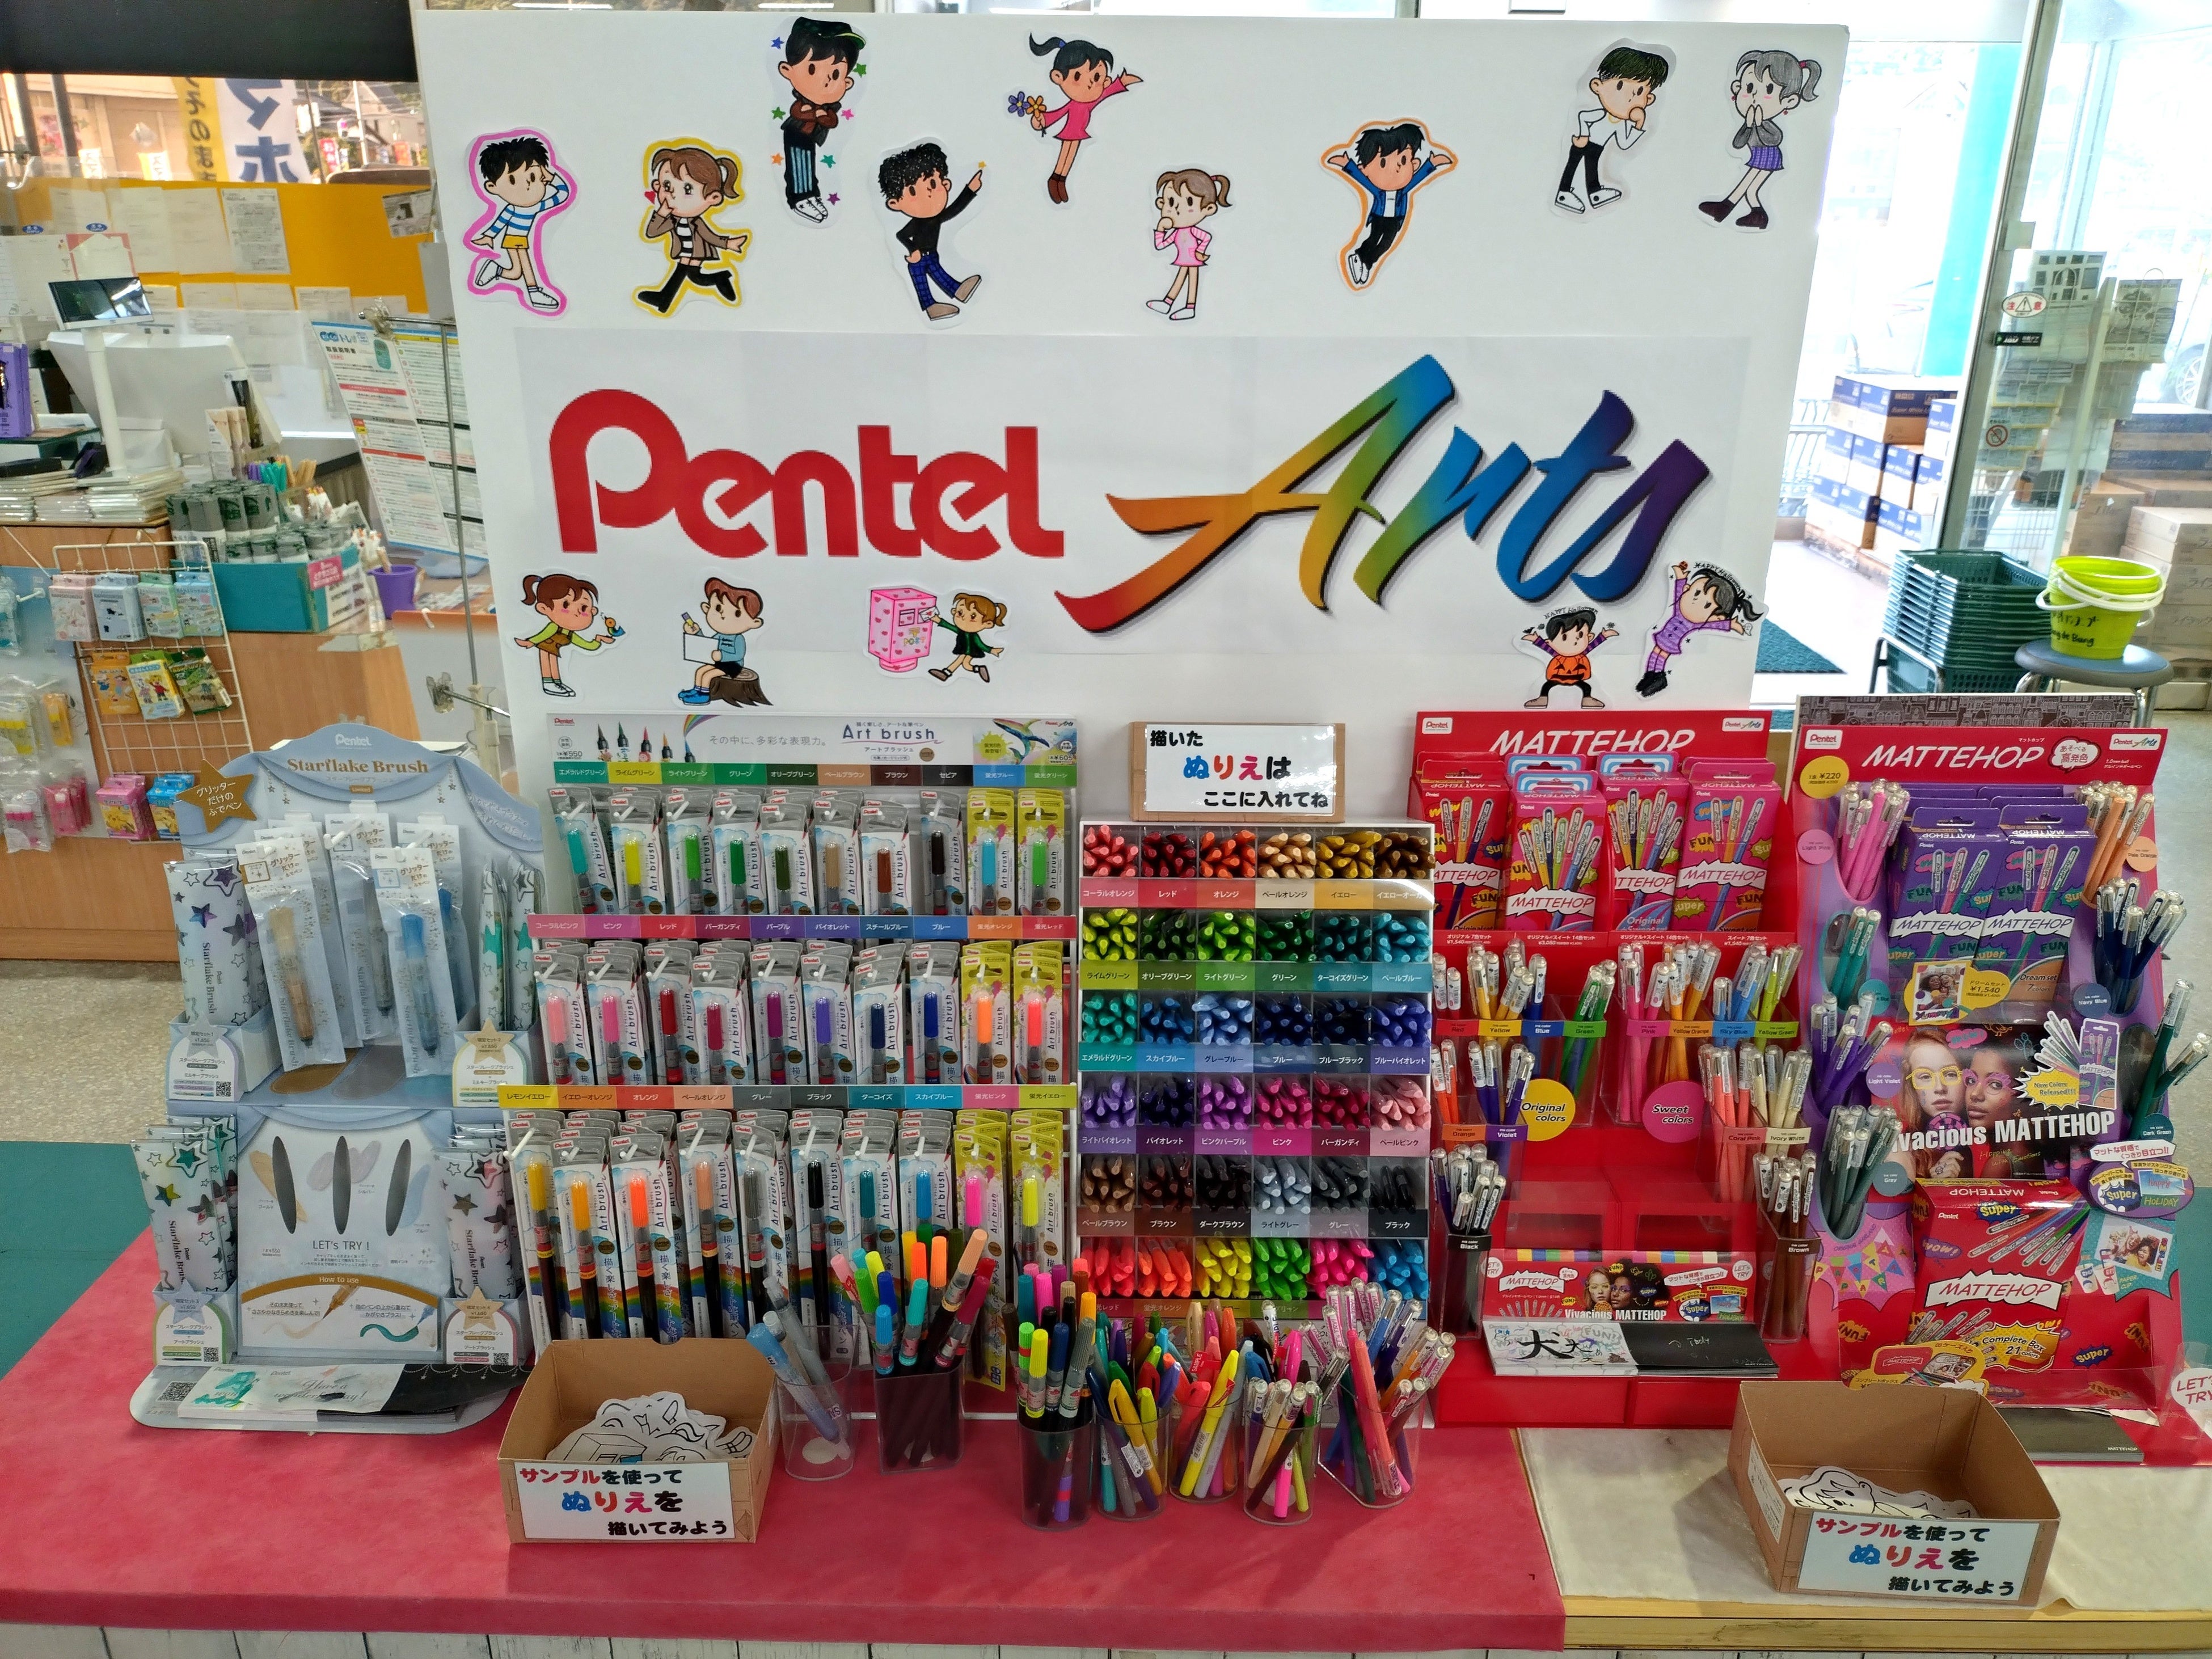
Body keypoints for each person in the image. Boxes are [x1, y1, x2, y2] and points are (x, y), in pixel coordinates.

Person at [1698, 49, 1822, 231]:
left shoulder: (1765, 123)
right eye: (1749, 88)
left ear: (1789, 101)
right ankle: (1757, 216)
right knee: (1751, 189)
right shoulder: (1750, 121)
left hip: (1769, 156)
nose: (1754, 96)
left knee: (1747, 183)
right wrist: (1749, 125)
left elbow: (1775, 139)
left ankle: (1724, 208)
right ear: (1737, 88)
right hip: (1758, 154)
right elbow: (1738, 144)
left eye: (1769, 90)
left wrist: (1758, 124)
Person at [1325, 123, 1454, 288]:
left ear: (1414, 164)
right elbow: (1362, 180)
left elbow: (1419, 178)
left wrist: (1432, 163)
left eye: (1403, 160)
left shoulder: (1404, 190)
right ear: (1365, 169)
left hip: (1395, 219)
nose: (1397, 168)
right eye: (1383, 163)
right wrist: (1346, 164)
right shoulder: (1377, 191)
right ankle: (1358, 256)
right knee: (1373, 239)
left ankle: (1367, 263)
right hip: (1378, 217)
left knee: (1386, 244)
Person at [1028, 35, 1141, 205]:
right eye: (1078, 76)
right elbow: (1057, 114)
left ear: (1105, 80)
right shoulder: (1073, 104)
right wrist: (1041, 121)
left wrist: (1123, 81)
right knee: (1065, 154)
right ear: (1058, 77)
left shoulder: (1090, 101)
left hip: (1079, 132)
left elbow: (1106, 93)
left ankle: (1061, 180)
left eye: (1097, 78)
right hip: (1070, 130)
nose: (1090, 84)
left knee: (1070, 155)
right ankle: (1055, 178)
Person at [1557, 45, 1669, 213]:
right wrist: (1583, 136)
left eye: (1639, 92)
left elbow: (1624, 144)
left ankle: (1595, 194)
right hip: (1582, 143)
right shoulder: (1601, 114)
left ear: (1649, 99)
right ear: (1597, 86)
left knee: (1592, 169)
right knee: (1573, 166)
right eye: (1620, 86)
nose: (1629, 98)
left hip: (1597, 147)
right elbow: (1584, 117)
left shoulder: (1621, 123)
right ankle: (1564, 193)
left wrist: (1639, 124)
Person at [637, 145, 748, 315]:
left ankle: (664, 299)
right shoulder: (672, 220)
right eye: (667, 185)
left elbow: (709, 236)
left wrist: (727, 244)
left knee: (686, 274)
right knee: (695, 277)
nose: (673, 195)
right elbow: (651, 233)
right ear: (658, 185)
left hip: (697, 252)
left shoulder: (697, 223)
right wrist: (661, 214)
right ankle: (719, 278)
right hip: (684, 252)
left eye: (688, 189)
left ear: (713, 198)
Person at [775, 16, 864, 223]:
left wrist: (822, 116)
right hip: (795, 135)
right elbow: (797, 112)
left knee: (808, 165)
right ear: (787, 71)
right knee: (798, 166)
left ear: (847, 83)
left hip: (809, 137)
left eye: (835, 74)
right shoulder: (802, 104)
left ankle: (811, 196)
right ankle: (800, 199)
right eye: (812, 70)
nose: (826, 80)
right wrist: (815, 115)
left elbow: (831, 121)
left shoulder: (828, 108)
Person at [880, 144, 983, 320]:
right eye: (913, 191)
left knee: (940, 275)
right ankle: (931, 307)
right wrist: (913, 251)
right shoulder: (917, 222)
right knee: (922, 285)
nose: (928, 195)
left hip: (932, 255)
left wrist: (970, 190)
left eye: (933, 184)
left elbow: (954, 210)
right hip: (918, 260)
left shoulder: (935, 217)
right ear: (895, 204)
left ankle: (958, 291)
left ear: (946, 185)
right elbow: (901, 235)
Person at [469, 134, 570, 311]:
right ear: (492, 187)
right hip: (514, 240)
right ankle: (534, 292)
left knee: (516, 273)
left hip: (518, 239)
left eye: (533, 177)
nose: (528, 186)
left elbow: (563, 195)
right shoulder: (513, 209)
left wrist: (551, 176)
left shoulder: (536, 207)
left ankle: (495, 269)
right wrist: (489, 236)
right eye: (513, 180)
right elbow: (500, 222)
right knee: (526, 268)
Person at [1637, 562, 1761, 696]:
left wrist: (1732, 625)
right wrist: (1680, 577)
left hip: (1672, 643)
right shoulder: (1678, 610)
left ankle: (1658, 679)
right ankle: (1648, 677)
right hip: (1663, 636)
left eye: (1707, 605)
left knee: (1661, 658)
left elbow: (1714, 625)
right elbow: (1678, 593)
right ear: (1688, 589)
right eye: (1696, 593)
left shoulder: (1696, 624)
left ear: (1716, 617)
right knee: (1654, 654)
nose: (1695, 601)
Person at [514, 572, 619, 697]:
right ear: (544, 609)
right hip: (544, 645)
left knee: (553, 660)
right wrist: (531, 642)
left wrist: (599, 639)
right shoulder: (554, 627)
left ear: (593, 611)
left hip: (553, 647)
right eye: (566, 605)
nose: (576, 613)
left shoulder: (570, 634)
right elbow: (544, 635)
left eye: (584, 608)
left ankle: (557, 683)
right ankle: (548, 683)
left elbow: (587, 645)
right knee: (548, 659)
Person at [1150, 169, 1229, 322]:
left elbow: (1206, 237)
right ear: (1161, 204)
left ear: (1209, 209)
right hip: (1183, 259)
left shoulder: (1192, 231)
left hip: (1193, 259)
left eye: (1189, 202)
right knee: (1180, 279)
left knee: (1192, 281)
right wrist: (1160, 229)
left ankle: (1189, 308)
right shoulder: (1176, 233)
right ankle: (1168, 303)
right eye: (1171, 202)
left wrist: (1200, 252)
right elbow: (1160, 245)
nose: (1177, 209)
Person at [680, 579, 768, 705]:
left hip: (734, 666)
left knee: (708, 676)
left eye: (737, 614)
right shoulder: (720, 635)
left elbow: (739, 655)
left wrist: (722, 656)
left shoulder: (738, 639)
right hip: (719, 663)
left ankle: (704, 696)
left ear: (754, 623)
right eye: (718, 608)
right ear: (707, 608)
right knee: (701, 671)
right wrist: (696, 632)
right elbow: (709, 644)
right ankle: (696, 691)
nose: (723, 616)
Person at [1901, 1029, 1969, 1180]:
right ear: (1911, 1085)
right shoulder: (1902, 1150)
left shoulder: (1985, 1142)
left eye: (1950, 1074)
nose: (1940, 1088)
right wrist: (1936, 1185)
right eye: (1925, 1077)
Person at [1522, 607, 1619, 708]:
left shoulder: (1582, 655)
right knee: (1547, 686)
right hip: (1557, 677)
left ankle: (1587, 700)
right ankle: (1542, 699)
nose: (1574, 641)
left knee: (1586, 687)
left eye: (1580, 635)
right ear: (1551, 643)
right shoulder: (1557, 655)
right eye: (1564, 637)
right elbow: (1545, 647)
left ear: (1589, 637)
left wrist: (1604, 635)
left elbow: (1594, 645)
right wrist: (1535, 639)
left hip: (1577, 678)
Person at [927, 592, 1007, 682]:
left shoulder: (974, 636)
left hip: (971, 650)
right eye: (960, 613)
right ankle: (979, 669)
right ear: (954, 611)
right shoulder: (961, 631)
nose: (963, 618)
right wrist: (938, 620)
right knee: (966, 665)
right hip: (964, 649)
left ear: (988, 624)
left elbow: (980, 644)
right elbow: (950, 627)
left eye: (973, 617)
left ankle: (946, 673)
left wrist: (991, 650)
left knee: (960, 660)